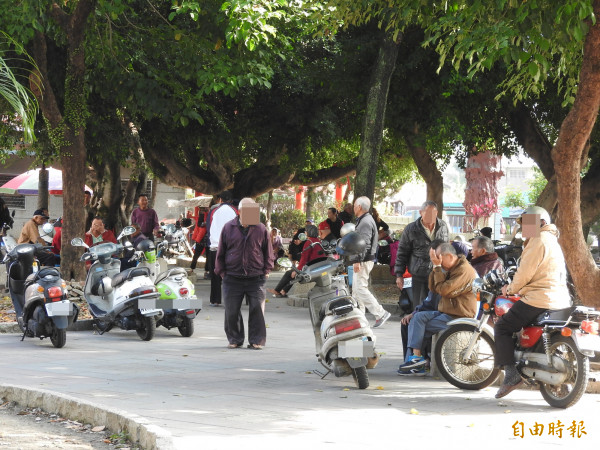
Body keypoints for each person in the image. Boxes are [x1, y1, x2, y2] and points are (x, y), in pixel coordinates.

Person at [494, 206, 571, 399]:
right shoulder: (552, 240)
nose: (524, 229)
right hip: (560, 299)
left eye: (528, 223)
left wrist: (510, 289)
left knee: (503, 326)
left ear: (540, 222)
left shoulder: (538, 240)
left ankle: (511, 375)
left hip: (540, 298)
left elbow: (524, 273)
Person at [398, 243, 477, 376]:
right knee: (417, 317)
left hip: (459, 315)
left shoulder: (464, 270)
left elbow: (444, 291)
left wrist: (438, 268)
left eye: (439, 258)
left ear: (450, 256)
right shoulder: (450, 267)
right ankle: (416, 359)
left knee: (417, 327)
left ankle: (416, 363)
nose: (438, 261)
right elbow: (433, 288)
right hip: (445, 311)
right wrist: (436, 267)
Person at [215, 198, 274, 350]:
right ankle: (235, 339)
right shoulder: (228, 228)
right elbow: (221, 251)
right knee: (231, 310)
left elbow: (268, 252)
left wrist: (267, 270)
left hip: (256, 277)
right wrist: (221, 272)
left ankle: (256, 340)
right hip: (232, 276)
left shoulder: (261, 229)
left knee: (257, 310)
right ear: (240, 212)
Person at [394, 201, 449, 306]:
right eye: (427, 213)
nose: (431, 216)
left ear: (437, 213)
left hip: (438, 273)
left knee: (437, 306)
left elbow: (446, 248)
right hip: (418, 273)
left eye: (433, 213)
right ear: (420, 212)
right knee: (419, 306)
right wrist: (399, 275)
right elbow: (402, 252)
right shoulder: (411, 229)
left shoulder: (443, 226)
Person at [399, 239, 446, 359]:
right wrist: (414, 312)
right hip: (435, 311)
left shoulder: (449, 272)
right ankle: (409, 359)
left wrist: (437, 268)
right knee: (408, 321)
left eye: (433, 258)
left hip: (447, 314)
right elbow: (429, 300)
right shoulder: (436, 271)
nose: (432, 261)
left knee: (417, 323)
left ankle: (419, 359)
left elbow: (443, 290)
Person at [352, 196, 391, 328]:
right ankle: (359, 317)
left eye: (354, 205)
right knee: (357, 289)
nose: (353, 208)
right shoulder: (366, 220)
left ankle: (380, 313)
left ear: (359, 207)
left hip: (363, 259)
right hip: (364, 259)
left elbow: (363, 244)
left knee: (360, 288)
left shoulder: (365, 222)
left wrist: (357, 260)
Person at [268, 225, 326, 298]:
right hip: (316, 266)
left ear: (309, 232)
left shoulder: (309, 242)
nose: (305, 232)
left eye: (306, 231)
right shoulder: (318, 241)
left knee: (290, 273)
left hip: (310, 268)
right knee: (291, 273)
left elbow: (304, 259)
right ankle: (283, 291)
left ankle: (278, 290)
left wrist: (297, 270)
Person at [207, 190, 238, 306]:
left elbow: (209, 227)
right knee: (231, 274)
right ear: (231, 200)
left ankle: (215, 300)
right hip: (231, 248)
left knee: (215, 275)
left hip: (215, 247)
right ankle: (231, 299)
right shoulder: (235, 211)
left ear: (220, 200)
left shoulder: (214, 211)